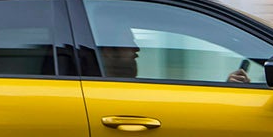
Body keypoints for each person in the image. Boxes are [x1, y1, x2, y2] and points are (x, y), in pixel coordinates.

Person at [97, 43, 251, 83]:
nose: (137, 48)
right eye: (127, 40)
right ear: (108, 51)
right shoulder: (117, 97)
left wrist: (228, 86)